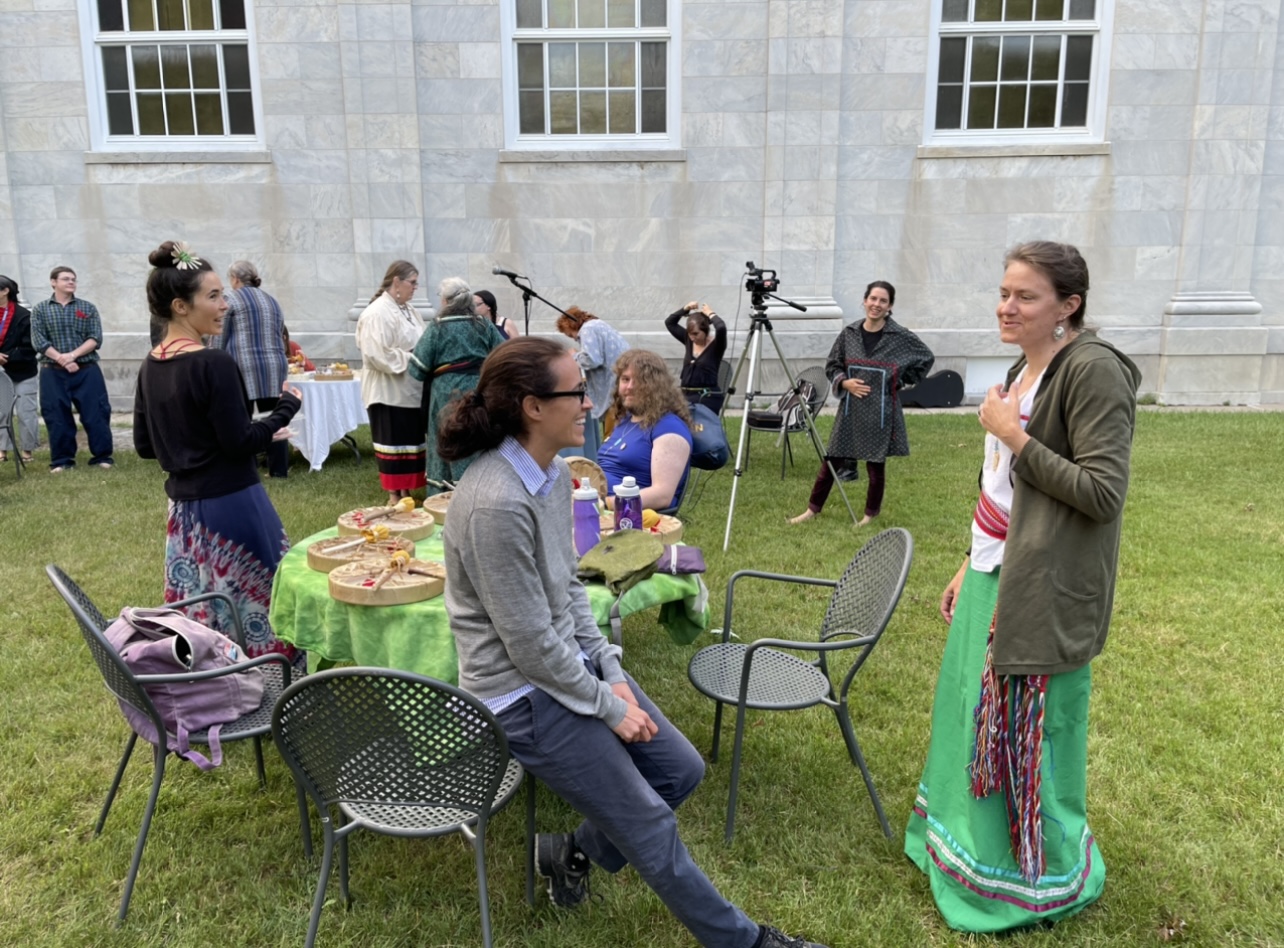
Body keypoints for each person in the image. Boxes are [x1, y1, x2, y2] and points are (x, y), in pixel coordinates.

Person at [437, 336, 828, 948]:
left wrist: (612, 672)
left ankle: (569, 851)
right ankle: (748, 943)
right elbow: (531, 647)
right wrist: (611, 708)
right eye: (576, 391)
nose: (591, 402)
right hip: (519, 699)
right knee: (649, 821)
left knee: (680, 770)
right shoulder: (493, 502)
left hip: (565, 671)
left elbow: (568, 591)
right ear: (532, 407)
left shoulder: (553, 475)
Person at [904, 242, 1140, 933]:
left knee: (1025, 734)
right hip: (993, 571)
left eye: (1026, 296)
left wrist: (1015, 437)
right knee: (973, 720)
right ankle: (962, 852)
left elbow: (1101, 493)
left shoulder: (1093, 372)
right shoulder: (1021, 366)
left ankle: (1029, 879)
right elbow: (1002, 493)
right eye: (1004, 292)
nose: (1007, 306)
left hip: (1042, 587)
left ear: (1069, 305)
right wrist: (967, 559)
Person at [133, 240, 304, 662]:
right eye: (213, 296)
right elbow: (239, 443)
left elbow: (143, 446)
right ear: (180, 306)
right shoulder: (213, 363)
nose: (225, 304)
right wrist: (285, 409)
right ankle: (275, 682)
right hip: (235, 504)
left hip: (185, 515)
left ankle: (215, 678)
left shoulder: (151, 363)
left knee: (204, 605)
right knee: (264, 600)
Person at [788, 281, 933, 527]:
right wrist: (844, 383)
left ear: (890, 306)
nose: (876, 305)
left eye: (883, 301)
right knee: (831, 461)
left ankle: (869, 515)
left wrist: (897, 382)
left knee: (875, 466)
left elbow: (926, 358)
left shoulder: (900, 337)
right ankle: (812, 510)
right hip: (850, 411)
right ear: (864, 301)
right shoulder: (850, 334)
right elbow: (832, 365)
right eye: (873, 299)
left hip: (881, 412)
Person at [409, 277, 506, 492]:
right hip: (480, 391)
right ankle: (482, 487)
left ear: (446, 301)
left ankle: (442, 495)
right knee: (478, 434)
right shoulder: (484, 325)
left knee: (446, 436)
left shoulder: (438, 327)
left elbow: (417, 369)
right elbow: (503, 356)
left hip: (445, 393)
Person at [208, 260, 291, 478]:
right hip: (274, 364)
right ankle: (279, 470)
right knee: (275, 416)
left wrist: (212, 360)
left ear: (235, 279)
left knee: (241, 419)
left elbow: (219, 337)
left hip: (243, 366)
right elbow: (281, 332)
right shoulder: (272, 301)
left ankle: (248, 468)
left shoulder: (230, 299)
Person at [355, 260, 427, 505]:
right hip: (387, 391)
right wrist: (414, 356)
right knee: (393, 441)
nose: (415, 287)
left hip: (409, 390)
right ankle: (394, 495)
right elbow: (376, 354)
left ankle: (406, 492)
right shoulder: (377, 312)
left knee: (409, 441)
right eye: (413, 282)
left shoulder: (409, 310)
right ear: (397, 281)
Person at [31, 265, 115, 472]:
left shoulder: (88, 308)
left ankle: (102, 457)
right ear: (53, 282)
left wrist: (72, 356)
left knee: (96, 412)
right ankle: (62, 460)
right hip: (52, 371)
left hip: (86, 370)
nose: (71, 282)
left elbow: (95, 338)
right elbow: (38, 340)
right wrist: (61, 359)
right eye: (66, 279)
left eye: (73, 279)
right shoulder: (40, 309)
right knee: (56, 415)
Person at [598, 349, 692, 512]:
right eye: (625, 379)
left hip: (627, 518)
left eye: (640, 381)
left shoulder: (669, 428)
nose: (630, 387)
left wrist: (605, 504)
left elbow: (662, 495)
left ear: (656, 386)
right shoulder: (626, 420)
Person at [554, 305, 631, 461]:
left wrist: (573, 356)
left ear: (569, 325)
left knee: (613, 435)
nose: (572, 338)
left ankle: (611, 466)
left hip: (613, 389)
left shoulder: (588, 330)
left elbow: (592, 359)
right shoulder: (598, 325)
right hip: (619, 386)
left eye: (568, 334)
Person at [0, 275, 37, 464]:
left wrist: (6, 358)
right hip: (0, 373)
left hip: (23, 372)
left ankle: (27, 450)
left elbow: (29, 347)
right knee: (1, 411)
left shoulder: (24, 316)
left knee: (26, 411)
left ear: (5, 291)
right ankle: (2, 451)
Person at [665, 300, 728, 413]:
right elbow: (670, 323)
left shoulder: (717, 345)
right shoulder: (688, 339)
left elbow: (721, 327)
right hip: (685, 397)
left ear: (706, 330)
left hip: (707, 397)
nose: (692, 337)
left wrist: (710, 313)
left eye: (696, 333)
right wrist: (685, 308)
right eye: (690, 333)